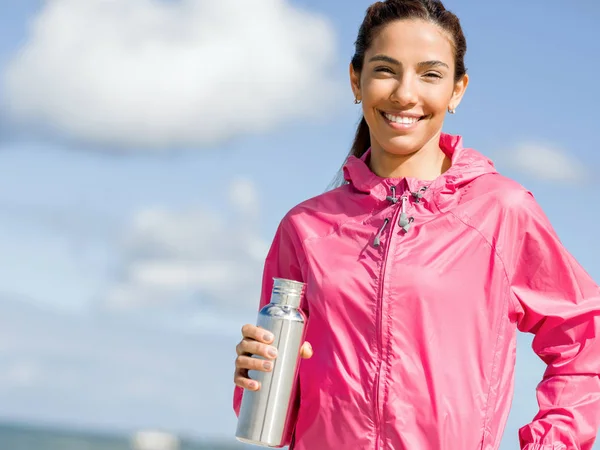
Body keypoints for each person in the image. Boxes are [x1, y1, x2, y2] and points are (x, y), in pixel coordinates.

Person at [232, 0, 600, 449]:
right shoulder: (305, 228)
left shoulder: (501, 210)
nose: (405, 94)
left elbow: (585, 337)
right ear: (356, 80)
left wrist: (552, 443)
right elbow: (279, 420)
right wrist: (254, 374)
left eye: (430, 74)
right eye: (386, 70)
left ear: (457, 90)